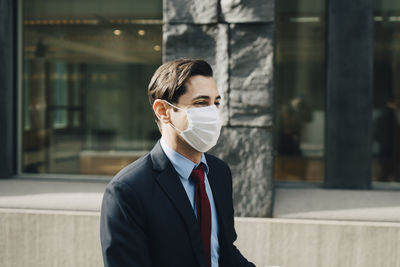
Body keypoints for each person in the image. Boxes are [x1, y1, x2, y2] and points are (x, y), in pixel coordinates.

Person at [100, 58, 256, 267]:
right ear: (163, 111)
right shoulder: (127, 191)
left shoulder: (219, 173)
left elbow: (222, 252)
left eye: (216, 103)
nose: (213, 114)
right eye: (201, 103)